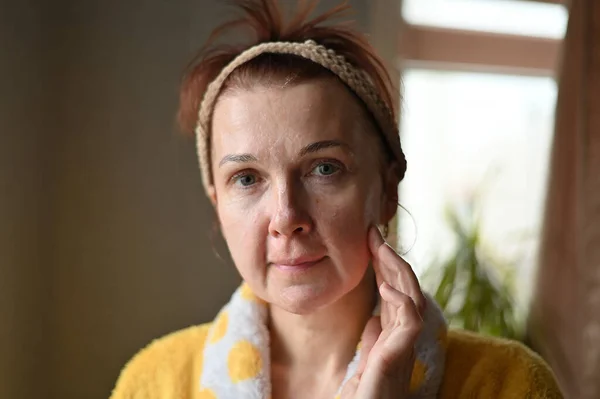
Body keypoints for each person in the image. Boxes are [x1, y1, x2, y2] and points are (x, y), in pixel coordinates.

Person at [110, 1, 563, 398]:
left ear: (388, 191)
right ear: (217, 203)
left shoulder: (508, 385)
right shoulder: (155, 385)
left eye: (324, 168)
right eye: (246, 178)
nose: (286, 217)